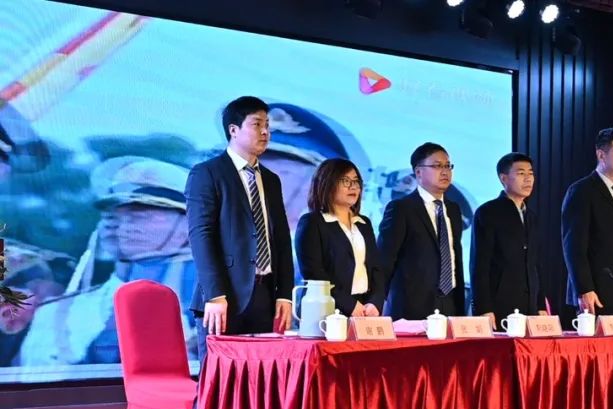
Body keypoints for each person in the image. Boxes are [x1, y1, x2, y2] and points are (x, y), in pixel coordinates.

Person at [17, 156, 196, 366]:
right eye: (113, 216)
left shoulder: (216, 303)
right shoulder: (55, 313)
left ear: (188, 225)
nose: (123, 226)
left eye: (143, 215)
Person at [185, 95, 294, 362]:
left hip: (264, 296)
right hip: (224, 296)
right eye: (257, 124)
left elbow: (281, 240)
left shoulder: (271, 180)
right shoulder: (207, 173)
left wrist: (285, 295)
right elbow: (201, 236)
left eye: (267, 125)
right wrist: (215, 294)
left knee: (261, 379)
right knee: (220, 380)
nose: (265, 132)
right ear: (233, 130)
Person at [561, 127, 613, 319]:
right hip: (596, 296)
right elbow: (574, 247)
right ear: (601, 155)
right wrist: (584, 289)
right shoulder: (582, 190)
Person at [377, 142, 465, 319]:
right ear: (418, 172)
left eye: (448, 166)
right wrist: (376, 302)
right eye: (437, 166)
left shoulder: (454, 209)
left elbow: (454, 257)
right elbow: (384, 259)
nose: (445, 171)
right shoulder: (401, 208)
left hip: (450, 304)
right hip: (411, 308)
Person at [294, 158, 384, 317]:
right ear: (327, 183)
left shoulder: (364, 223)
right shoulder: (312, 222)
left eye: (356, 181)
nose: (353, 187)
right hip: (325, 308)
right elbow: (314, 273)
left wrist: (375, 302)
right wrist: (349, 305)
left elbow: (376, 268)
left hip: (364, 308)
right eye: (345, 181)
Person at [470, 152, 545, 327]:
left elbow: (536, 265)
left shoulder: (531, 216)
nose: (528, 179)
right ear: (503, 178)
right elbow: (479, 265)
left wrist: (540, 305)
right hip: (499, 305)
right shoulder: (488, 212)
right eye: (521, 173)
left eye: (531, 173)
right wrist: (484, 308)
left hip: (530, 306)